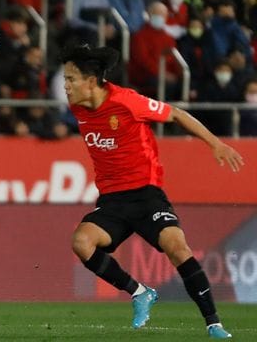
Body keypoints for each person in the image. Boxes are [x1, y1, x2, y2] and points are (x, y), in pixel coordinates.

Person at [62, 45, 243, 339]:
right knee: (82, 242)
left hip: (146, 195)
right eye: (65, 79)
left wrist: (215, 144)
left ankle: (214, 323)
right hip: (112, 201)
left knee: (177, 247)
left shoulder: (127, 102)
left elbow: (177, 115)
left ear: (91, 81)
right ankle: (140, 292)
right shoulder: (77, 108)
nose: (65, 86)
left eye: (71, 79)